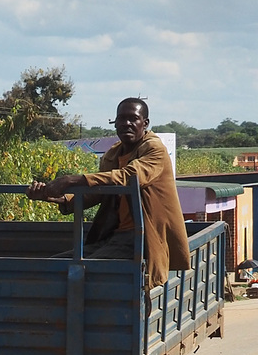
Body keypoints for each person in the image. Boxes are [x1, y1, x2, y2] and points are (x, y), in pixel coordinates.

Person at [28, 97, 191, 291]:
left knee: (81, 270)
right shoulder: (114, 154)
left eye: (133, 119)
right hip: (115, 235)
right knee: (54, 265)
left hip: (143, 237)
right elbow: (98, 193)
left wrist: (72, 180)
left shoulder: (154, 149)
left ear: (145, 123)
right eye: (121, 119)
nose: (126, 124)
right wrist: (51, 196)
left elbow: (130, 177)